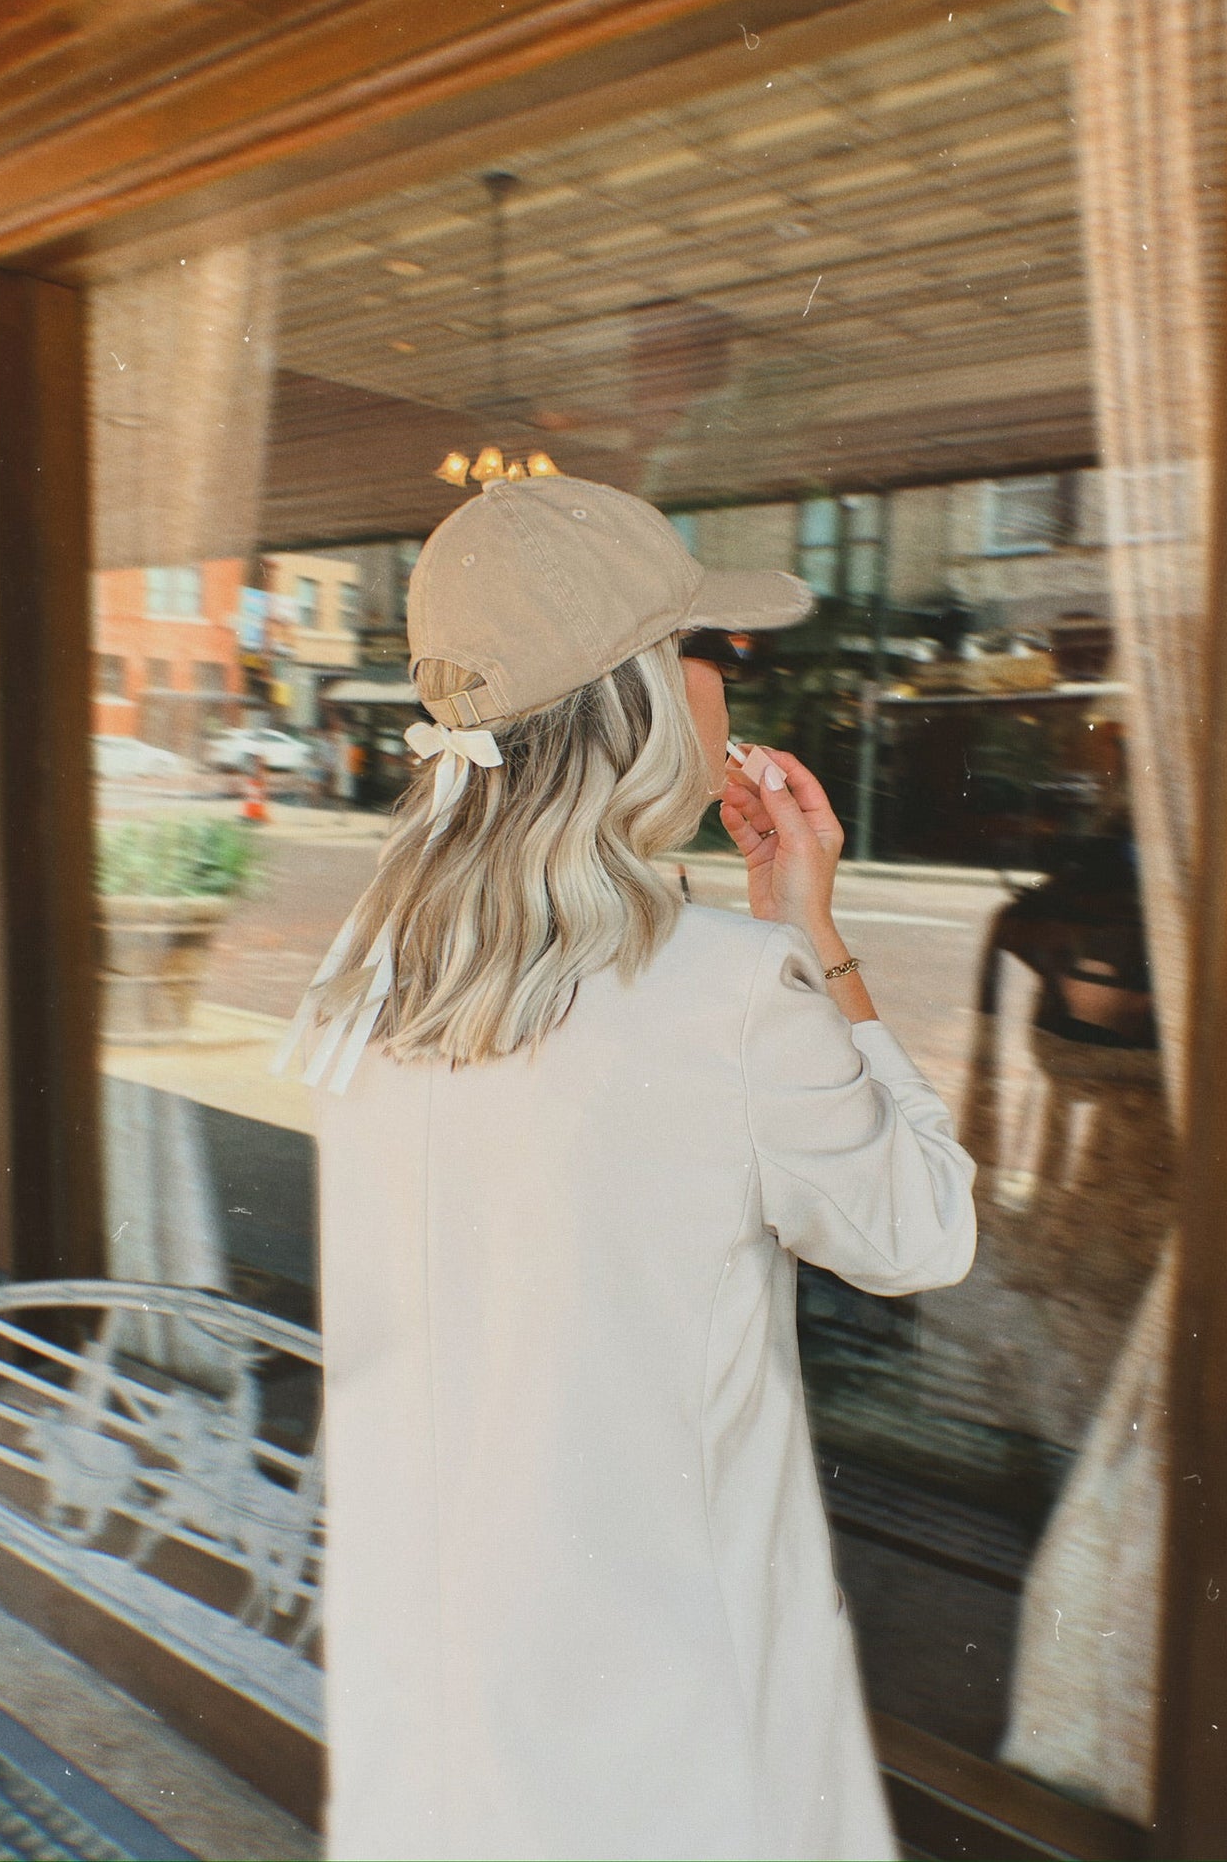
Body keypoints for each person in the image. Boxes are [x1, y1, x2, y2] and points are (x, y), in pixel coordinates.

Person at [283, 466, 978, 1862]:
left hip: (434, 1688)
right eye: (694, 648)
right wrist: (811, 937)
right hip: (667, 1712)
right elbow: (920, 1237)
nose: (721, 679)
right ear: (635, 700)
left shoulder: (363, 982)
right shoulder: (724, 991)